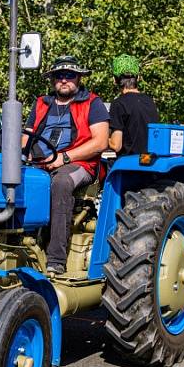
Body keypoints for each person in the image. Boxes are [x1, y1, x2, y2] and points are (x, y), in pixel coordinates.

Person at [23, 55, 109, 275]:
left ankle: (56, 259)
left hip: (79, 164)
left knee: (61, 183)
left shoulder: (92, 103)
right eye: (59, 76)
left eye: (69, 75)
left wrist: (66, 158)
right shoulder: (42, 103)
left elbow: (100, 142)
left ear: (78, 78)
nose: (64, 80)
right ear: (52, 80)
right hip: (40, 162)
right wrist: (22, 156)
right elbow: (27, 136)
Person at [108, 54, 159, 155]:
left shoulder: (118, 104)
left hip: (129, 165)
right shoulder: (150, 102)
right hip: (149, 163)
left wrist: (99, 138)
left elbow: (116, 145)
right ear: (138, 78)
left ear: (114, 80)